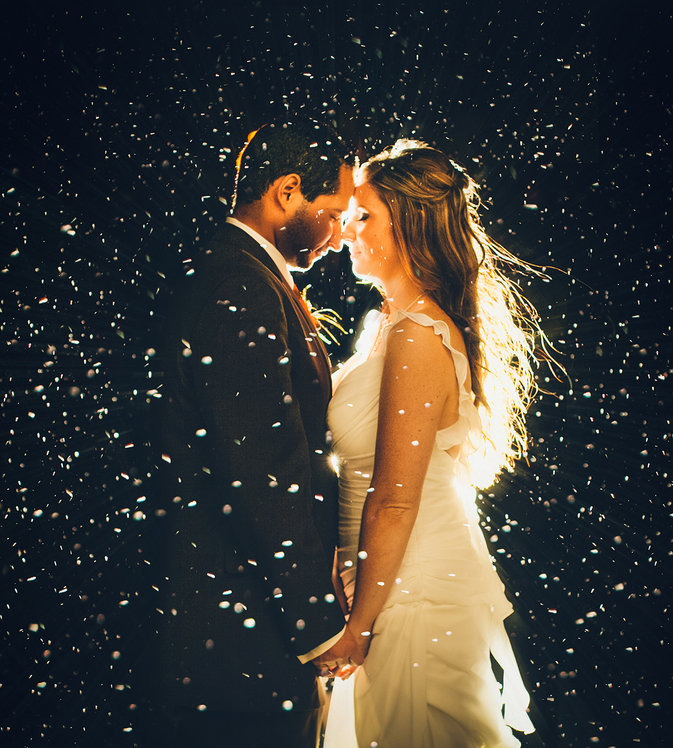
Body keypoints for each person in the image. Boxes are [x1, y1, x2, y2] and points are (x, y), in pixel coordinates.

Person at [318, 140, 543, 747]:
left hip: (408, 589)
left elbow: (394, 496)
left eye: (365, 217)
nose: (346, 230)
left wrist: (362, 623)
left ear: (411, 233)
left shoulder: (418, 335)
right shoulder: (389, 325)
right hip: (383, 578)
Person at [141, 121, 355, 747]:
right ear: (287, 192)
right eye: (334, 213)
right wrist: (316, 622)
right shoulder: (239, 282)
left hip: (244, 623)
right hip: (236, 633)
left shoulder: (242, 274)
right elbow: (263, 464)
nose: (339, 235)